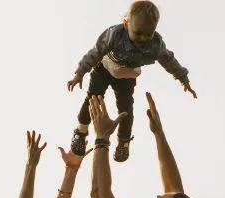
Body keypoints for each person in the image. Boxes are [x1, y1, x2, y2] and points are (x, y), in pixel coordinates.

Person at [67, 0, 197, 163]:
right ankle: (81, 131)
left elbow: (169, 60)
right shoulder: (114, 34)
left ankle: (124, 142)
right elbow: (95, 52)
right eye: (138, 33)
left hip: (126, 77)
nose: (143, 39)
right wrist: (80, 73)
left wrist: (183, 79)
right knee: (93, 98)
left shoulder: (155, 45)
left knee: (125, 108)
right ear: (126, 24)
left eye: (148, 34)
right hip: (105, 68)